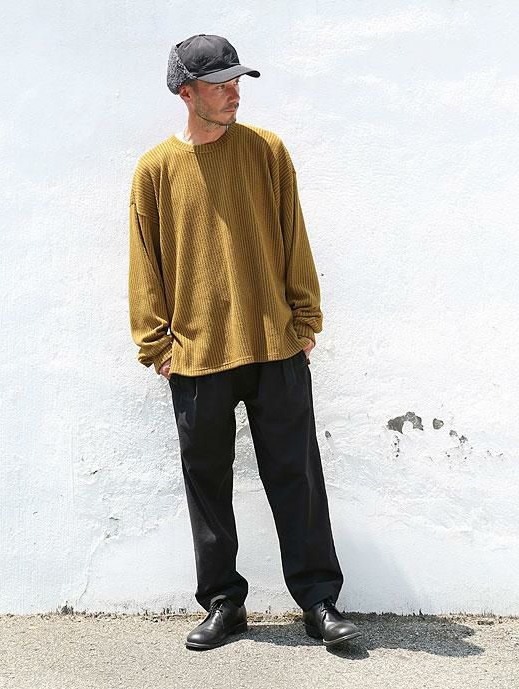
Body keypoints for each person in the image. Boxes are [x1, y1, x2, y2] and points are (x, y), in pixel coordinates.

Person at [128, 33, 362, 651]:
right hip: (197, 352)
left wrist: (305, 320)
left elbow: (293, 235)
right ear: (186, 92)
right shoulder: (155, 170)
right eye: (220, 84)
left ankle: (318, 601)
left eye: (237, 81)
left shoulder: (267, 151)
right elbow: (145, 261)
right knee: (207, 482)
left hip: (275, 344)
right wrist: (157, 347)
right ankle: (224, 604)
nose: (235, 93)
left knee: (297, 477)